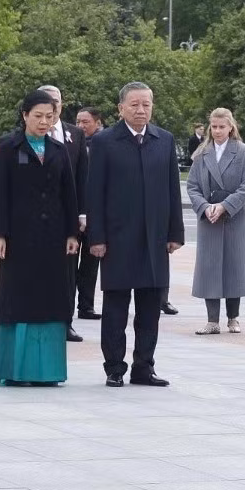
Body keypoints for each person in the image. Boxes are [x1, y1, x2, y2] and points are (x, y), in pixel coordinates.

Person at [85, 82, 185, 386]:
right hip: (117, 238)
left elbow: (172, 188)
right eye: (135, 105)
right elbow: (94, 193)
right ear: (121, 109)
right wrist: (97, 238)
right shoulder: (104, 142)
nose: (141, 110)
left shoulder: (163, 140)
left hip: (154, 239)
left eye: (146, 104)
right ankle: (115, 367)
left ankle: (145, 366)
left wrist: (174, 233)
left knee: (150, 309)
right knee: (115, 307)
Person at [0, 90, 81, 385]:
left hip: (53, 237)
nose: (43, 121)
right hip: (19, 237)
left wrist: (71, 232)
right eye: (38, 116)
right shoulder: (9, 147)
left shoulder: (57, 148)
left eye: (49, 117)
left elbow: (69, 194)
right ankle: (16, 371)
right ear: (25, 115)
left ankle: (48, 371)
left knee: (51, 299)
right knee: (20, 299)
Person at [189, 108, 245, 335]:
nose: (217, 131)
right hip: (209, 218)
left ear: (230, 127)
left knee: (234, 266)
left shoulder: (243, 152)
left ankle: (233, 318)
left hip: (234, 217)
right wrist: (205, 207)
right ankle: (211, 320)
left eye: (221, 127)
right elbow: (193, 186)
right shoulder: (202, 153)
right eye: (214, 127)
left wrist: (225, 206)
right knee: (210, 267)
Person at [35, 86, 89, 342]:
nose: (52, 107)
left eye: (55, 102)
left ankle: (65, 321)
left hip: (67, 216)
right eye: (46, 102)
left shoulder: (75, 134)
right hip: (35, 218)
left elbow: (82, 177)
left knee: (68, 272)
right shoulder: (26, 135)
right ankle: (38, 318)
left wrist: (82, 214)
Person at [72, 106, 106, 320]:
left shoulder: (103, 145)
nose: (81, 126)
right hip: (74, 211)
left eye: (85, 122)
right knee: (69, 262)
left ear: (97, 123)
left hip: (94, 212)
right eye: (78, 121)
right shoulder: (72, 143)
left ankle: (86, 306)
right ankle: (66, 304)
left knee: (91, 262)